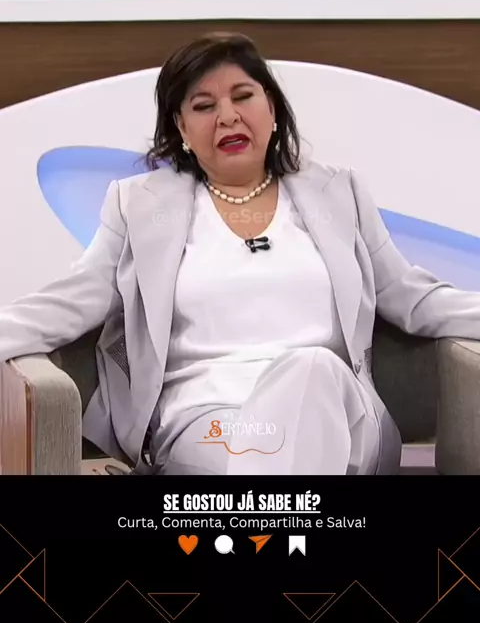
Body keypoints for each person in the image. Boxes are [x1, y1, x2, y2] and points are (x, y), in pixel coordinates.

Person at [1, 31, 480, 477]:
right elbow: (71, 302)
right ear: (182, 128)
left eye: (242, 96)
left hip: (340, 409)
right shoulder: (137, 206)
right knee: (272, 452)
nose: (227, 116)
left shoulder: (339, 193)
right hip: (209, 421)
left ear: (271, 108)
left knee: (311, 371)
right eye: (204, 105)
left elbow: (414, 297)